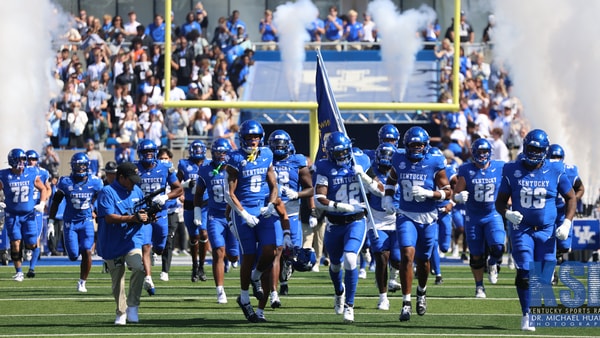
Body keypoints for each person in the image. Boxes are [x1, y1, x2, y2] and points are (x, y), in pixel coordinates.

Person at [495, 129, 576, 331]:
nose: (533, 152)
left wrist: (566, 222)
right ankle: (526, 314)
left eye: (537, 149)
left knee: (544, 277)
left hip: (547, 230)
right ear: (524, 146)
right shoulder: (511, 169)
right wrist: (507, 213)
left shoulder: (556, 170)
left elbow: (571, 197)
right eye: (530, 148)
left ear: (545, 150)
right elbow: (500, 202)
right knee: (524, 273)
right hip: (522, 229)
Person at [382, 126, 451, 321]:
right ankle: (406, 302)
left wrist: (430, 194)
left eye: (419, 145)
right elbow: (391, 179)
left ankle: (422, 291)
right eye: (412, 145)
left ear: (426, 145)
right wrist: (388, 197)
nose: (416, 148)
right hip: (406, 214)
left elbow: (447, 191)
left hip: (428, 216)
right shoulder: (398, 158)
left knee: (423, 261)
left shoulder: (435, 161)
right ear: (406, 145)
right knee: (406, 254)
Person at [313, 131, 380, 323]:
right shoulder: (325, 166)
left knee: (350, 259)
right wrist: (337, 206)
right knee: (335, 265)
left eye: (344, 152)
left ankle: (349, 306)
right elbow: (319, 199)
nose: (342, 156)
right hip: (334, 222)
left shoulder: (362, 161)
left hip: (356, 220)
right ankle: (339, 292)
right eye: (338, 153)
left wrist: (365, 177)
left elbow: (381, 191)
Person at [224, 120, 283, 323]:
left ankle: (256, 276)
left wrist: (271, 203)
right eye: (249, 138)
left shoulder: (267, 154)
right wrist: (243, 214)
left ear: (261, 138)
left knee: (271, 249)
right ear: (242, 138)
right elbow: (228, 193)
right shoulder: (235, 158)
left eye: (255, 137)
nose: (252, 141)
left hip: (263, 209)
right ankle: (244, 297)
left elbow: (273, 184)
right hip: (243, 210)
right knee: (247, 255)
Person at [452, 138, 506, 299]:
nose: (482, 155)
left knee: (498, 247)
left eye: (485, 152)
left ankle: (493, 263)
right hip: (473, 216)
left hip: (493, 214)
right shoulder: (466, 170)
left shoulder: (500, 167)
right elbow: (455, 195)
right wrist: (459, 197)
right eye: (479, 152)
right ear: (473, 152)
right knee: (475, 254)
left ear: (490, 153)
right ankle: (479, 286)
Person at [96, 162, 148, 325]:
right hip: (112, 241)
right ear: (121, 177)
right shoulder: (107, 192)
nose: (134, 183)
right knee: (118, 279)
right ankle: (121, 311)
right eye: (131, 179)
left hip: (132, 239)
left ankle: (133, 305)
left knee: (139, 268)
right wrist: (132, 218)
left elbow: (142, 211)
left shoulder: (137, 191)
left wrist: (147, 217)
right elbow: (109, 217)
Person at [267, 130, 314, 299]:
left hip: (292, 211)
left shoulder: (297, 161)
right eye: (276, 145)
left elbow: (310, 188)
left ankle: (285, 275)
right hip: (271, 212)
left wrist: (297, 194)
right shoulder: (265, 158)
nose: (278, 148)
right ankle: (274, 290)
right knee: (275, 251)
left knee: (297, 255)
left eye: (282, 145)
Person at [48, 153, 103, 292]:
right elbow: (56, 201)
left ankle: (82, 282)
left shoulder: (95, 182)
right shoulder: (65, 182)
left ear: (87, 166)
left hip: (86, 221)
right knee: (73, 256)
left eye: (83, 165)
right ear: (73, 166)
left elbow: (101, 198)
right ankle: (79, 268)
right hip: (70, 222)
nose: (80, 168)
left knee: (87, 250)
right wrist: (50, 220)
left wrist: (95, 209)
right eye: (78, 166)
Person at [135, 139, 183, 296]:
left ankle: (154, 256)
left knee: (160, 247)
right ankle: (148, 278)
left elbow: (179, 189)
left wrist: (165, 197)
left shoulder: (165, 167)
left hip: (161, 212)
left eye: (150, 152)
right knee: (146, 246)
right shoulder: (134, 169)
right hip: (143, 212)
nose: (148, 155)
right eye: (145, 153)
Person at [195, 138, 240, 304]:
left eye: (224, 152)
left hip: (233, 214)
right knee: (218, 251)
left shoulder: (235, 167)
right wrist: (197, 212)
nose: (221, 156)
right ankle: (220, 290)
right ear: (212, 153)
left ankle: (231, 261)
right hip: (215, 215)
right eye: (218, 152)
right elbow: (198, 193)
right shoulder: (205, 169)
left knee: (234, 256)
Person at [0, 149, 49, 282]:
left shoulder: (32, 172)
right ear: (12, 161)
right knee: (15, 243)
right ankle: (19, 272)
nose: (22, 163)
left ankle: (30, 260)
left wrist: (42, 203)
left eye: (23, 159)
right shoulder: (4, 175)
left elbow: (43, 188)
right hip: (12, 215)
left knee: (32, 244)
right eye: (19, 160)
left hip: (29, 216)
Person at [367, 142, 400, 310]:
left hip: (398, 218)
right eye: (384, 155)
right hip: (377, 219)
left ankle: (394, 276)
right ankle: (383, 297)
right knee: (381, 257)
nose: (386, 159)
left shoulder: (402, 170)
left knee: (398, 258)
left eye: (390, 155)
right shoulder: (370, 171)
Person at [547, 144, 585, 283]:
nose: (555, 160)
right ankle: (551, 271)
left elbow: (580, 188)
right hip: (547, 213)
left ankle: (556, 258)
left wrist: (572, 199)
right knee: (548, 244)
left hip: (563, 213)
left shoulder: (569, 170)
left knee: (564, 246)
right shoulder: (543, 169)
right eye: (553, 157)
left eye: (558, 157)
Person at [177, 140, 209, 283]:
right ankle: (195, 265)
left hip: (205, 204)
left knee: (204, 233)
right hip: (190, 203)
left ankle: (202, 265)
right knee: (194, 237)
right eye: (194, 149)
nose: (197, 152)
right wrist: (185, 185)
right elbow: (175, 184)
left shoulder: (209, 164)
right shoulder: (184, 164)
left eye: (199, 149)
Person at [24, 150, 52, 277]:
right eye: (29, 159)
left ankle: (32, 268)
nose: (31, 161)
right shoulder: (20, 171)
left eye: (33, 159)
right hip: (22, 207)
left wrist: (43, 201)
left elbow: (48, 188)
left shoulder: (43, 172)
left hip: (36, 208)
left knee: (36, 238)